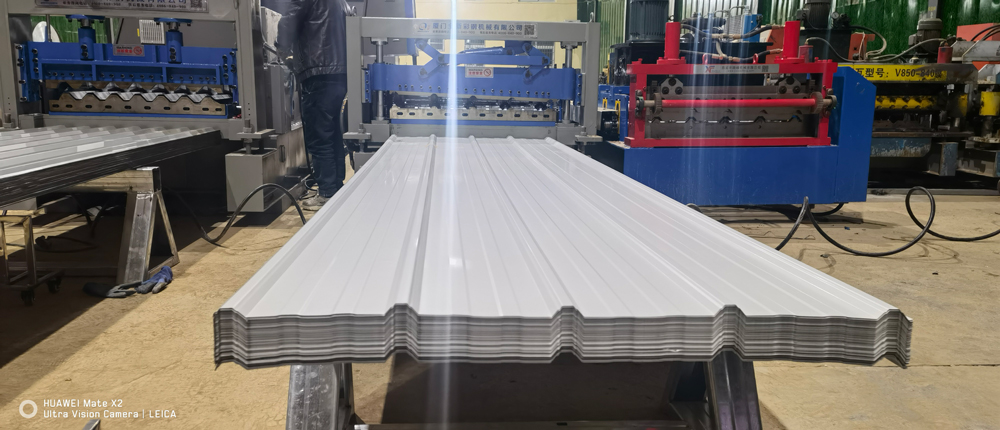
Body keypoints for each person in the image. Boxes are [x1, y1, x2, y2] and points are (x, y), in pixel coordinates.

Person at [276, 0, 352, 210]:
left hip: (317, 72)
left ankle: (327, 193)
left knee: (319, 138)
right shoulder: (341, 2)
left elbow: (288, 22)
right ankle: (335, 188)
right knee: (333, 136)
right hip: (340, 74)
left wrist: (281, 48)